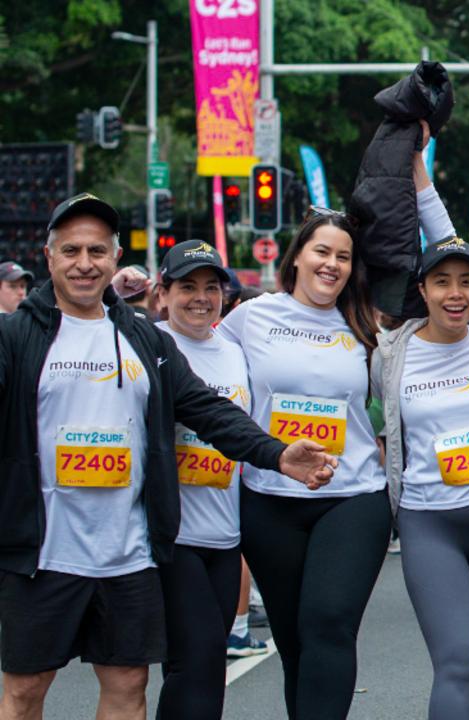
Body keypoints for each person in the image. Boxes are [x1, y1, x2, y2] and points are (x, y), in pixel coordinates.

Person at [0, 193, 335, 720]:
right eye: (71, 251)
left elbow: (207, 409)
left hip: (128, 554)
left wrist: (276, 454)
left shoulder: (142, 339)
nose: (84, 263)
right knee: (24, 692)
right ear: (49, 259)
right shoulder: (17, 337)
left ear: (114, 258)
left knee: (129, 687)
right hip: (42, 554)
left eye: (96, 251)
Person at [218, 209, 391, 720]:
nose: (332, 264)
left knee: (329, 623)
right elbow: (200, 366)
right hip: (270, 500)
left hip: (352, 497)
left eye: (343, 256)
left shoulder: (367, 325)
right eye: (322, 251)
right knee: (295, 644)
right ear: (296, 258)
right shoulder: (251, 318)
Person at [372, 238, 469, 719]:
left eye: (466, 282)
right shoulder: (390, 356)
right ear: (423, 289)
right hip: (432, 524)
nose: (455, 294)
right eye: (442, 282)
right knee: (456, 660)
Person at [151, 240, 261, 719]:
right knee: (193, 658)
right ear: (163, 294)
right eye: (187, 287)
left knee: (208, 661)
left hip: (224, 535)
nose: (200, 297)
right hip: (173, 535)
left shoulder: (235, 351)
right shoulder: (147, 343)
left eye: (211, 288)